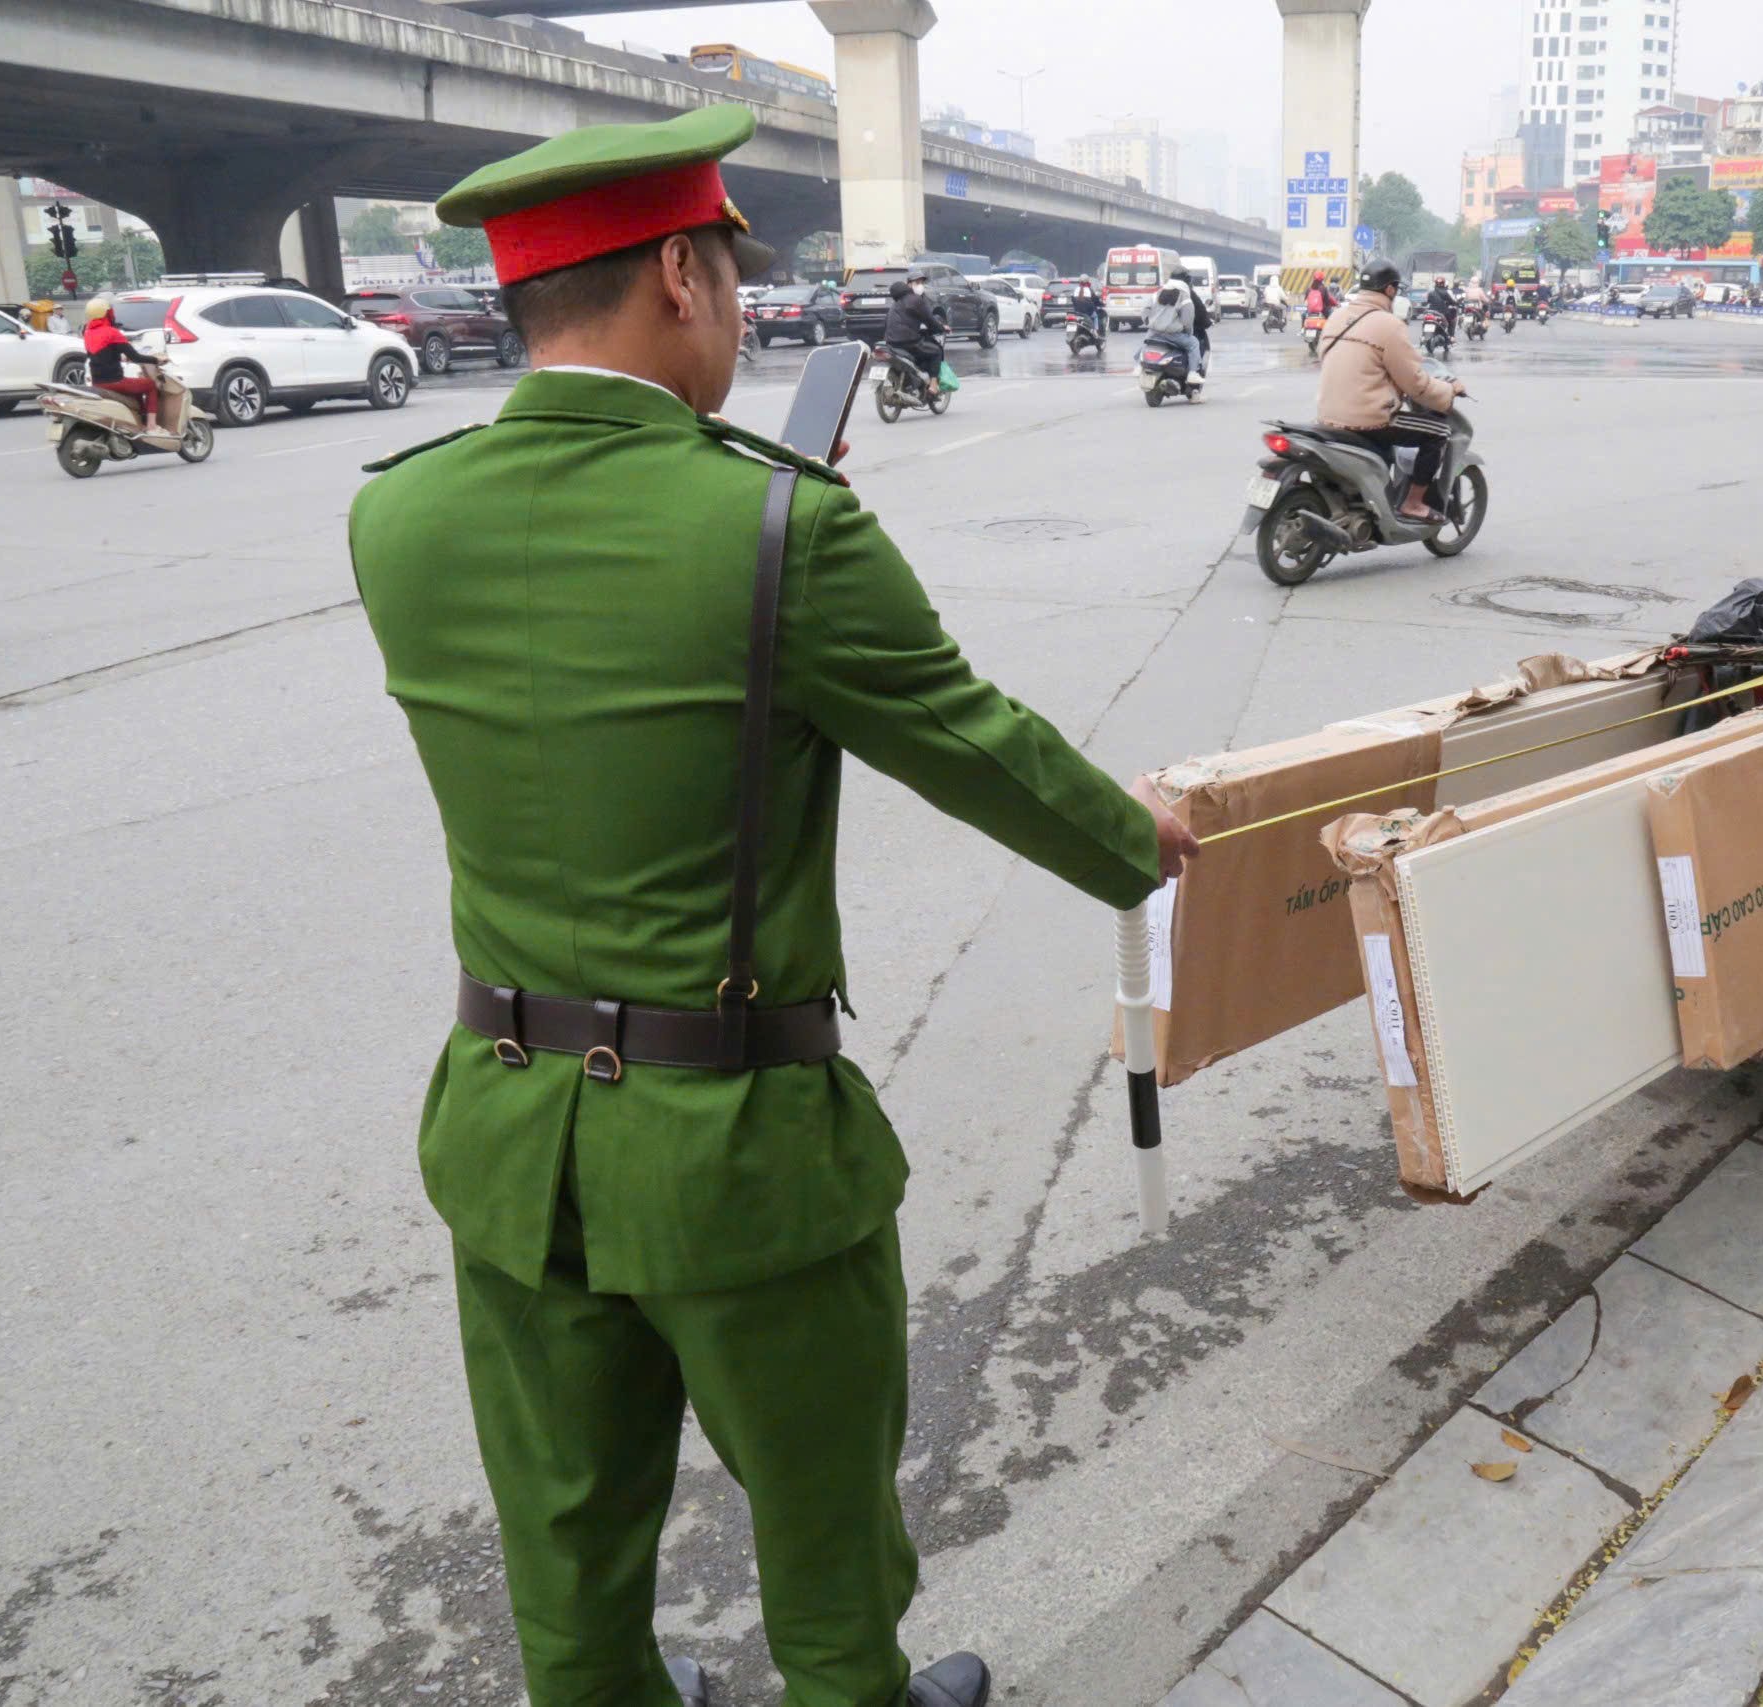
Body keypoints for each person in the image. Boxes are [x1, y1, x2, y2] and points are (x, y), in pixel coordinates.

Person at [347, 104, 1200, 1707]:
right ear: (682, 273)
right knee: (824, 1535)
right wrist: (1134, 841)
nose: (740, 315)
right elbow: (972, 740)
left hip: (508, 1135)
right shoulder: (782, 525)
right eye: (731, 279)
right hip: (732, 1153)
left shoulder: (396, 515)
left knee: (567, 1542)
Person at [1313, 261, 1466, 521]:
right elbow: (1415, 383)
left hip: (1327, 416)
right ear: (1390, 290)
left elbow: (1329, 357)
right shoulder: (1389, 325)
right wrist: (1447, 391)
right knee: (1439, 432)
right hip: (1368, 419)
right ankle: (1413, 503)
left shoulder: (1337, 317)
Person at [80, 298, 158, 427]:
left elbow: (95, 355)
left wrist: (119, 357)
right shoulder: (112, 332)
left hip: (97, 382)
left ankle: (139, 419)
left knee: (137, 386)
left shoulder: (87, 332)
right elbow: (136, 357)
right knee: (150, 385)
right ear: (107, 314)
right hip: (115, 382)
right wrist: (156, 360)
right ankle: (152, 425)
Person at [882, 270, 948, 399]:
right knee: (936, 352)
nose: (920, 285)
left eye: (921, 282)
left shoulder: (895, 304)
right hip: (908, 342)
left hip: (890, 343)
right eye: (917, 282)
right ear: (908, 284)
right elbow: (930, 321)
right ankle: (933, 386)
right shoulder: (915, 300)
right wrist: (941, 328)